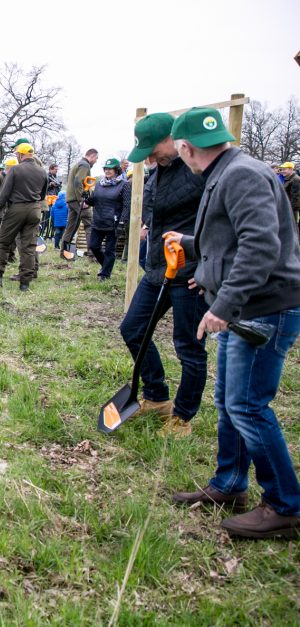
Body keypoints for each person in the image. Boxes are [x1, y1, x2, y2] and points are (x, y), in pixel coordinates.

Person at [165, 107, 300, 539]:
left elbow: (260, 245)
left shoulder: (241, 174)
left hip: (262, 309)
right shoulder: (228, 170)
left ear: (186, 148)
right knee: (229, 401)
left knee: (247, 405)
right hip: (247, 307)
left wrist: (223, 304)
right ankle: (229, 484)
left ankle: (285, 504)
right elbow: (231, 237)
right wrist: (189, 244)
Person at [120, 112, 208, 437]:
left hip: (191, 272)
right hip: (159, 268)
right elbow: (161, 207)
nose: (151, 159)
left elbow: (218, 221)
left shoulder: (199, 168)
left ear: (171, 139)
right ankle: (156, 395)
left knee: (188, 346)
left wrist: (208, 266)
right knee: (132, 328)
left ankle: (182, 417)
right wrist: (148, 225)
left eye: (154, 151)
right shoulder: (163, 169)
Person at [0, 143, 48, 291]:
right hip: (35, 209)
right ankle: (25, 283)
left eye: (17, 155)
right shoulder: (42, 172)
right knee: (29, 247)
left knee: (3, 242)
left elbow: (4, 195)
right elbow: (43, 195)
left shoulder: (15, 169)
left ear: (20, 155)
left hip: (16, 209)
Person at [85, 158, 131, 281]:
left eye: (110, 169)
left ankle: (104, 275)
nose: (107, 171)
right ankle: (106, 266)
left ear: (117, 170)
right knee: (94, 246)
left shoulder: (124, 185)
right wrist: (87, 200)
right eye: (106, 168)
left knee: (110, 250)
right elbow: (94, 200)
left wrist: (122, 222)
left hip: (113, 223)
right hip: (98, 220)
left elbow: (127, 205)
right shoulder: (99, 184)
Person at [61, 149, 99, 258]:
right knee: (89, 224)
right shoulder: (85, 165)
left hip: (71, 199)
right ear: (92, 156)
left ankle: (64, 252)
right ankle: (93, 254)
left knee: (71, 226)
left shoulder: (79, 163)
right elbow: (78, 181)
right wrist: (82, 200)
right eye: (96, 158)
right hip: (78, 200)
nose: (96, 161)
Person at [278, 161, 300, 237]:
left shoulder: (295, 179)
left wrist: (292, 208)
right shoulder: (287, 179)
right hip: (286, 206)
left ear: (291, 169)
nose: (282, 171)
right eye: (282, 169)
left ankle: (296, 242)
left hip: (292, 207)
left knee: (293, 225)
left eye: (285, 169)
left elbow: (296, 196)